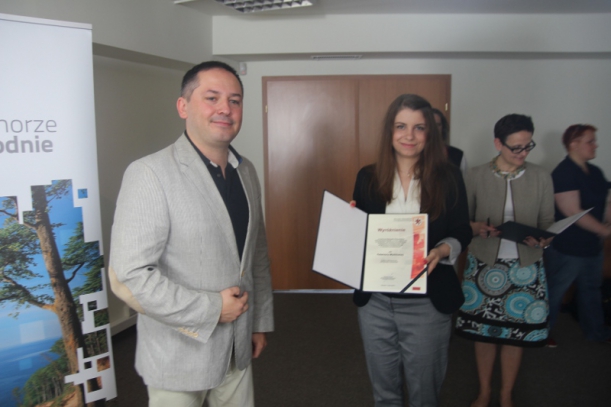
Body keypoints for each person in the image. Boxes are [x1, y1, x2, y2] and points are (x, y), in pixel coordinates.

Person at [108, 61, 274, 407]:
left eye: (234, 101)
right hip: (178, 355)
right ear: (183, 106)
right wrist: (212, 309)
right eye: (212, 98)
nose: (225, 109)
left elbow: (255, 254)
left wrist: (258, 322)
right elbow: (130, 276)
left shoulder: (246, 172)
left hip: (237, 347)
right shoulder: (150, 173)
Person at [352, 94, 472, 407]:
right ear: (389, 131)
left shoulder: (449, 177)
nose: (409, 135)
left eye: (419, 128)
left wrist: (443, 250)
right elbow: (360, 236)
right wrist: (347, 223)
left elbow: (462, 230)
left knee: (425, 393)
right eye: (401, 126)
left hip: (427, 302)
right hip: (377, 302)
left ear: (430, 133)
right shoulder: (367, 177)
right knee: (384, 393)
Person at [454, 114, 554, 407]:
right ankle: (485, 392)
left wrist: (544, 239)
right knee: (483, 334)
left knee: (515, 335)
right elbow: (462, 221)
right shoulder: (475, 175)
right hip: (485, 263)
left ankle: (506, 394)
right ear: (498, 144)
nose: (523, 153)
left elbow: (548, 222)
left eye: (528, 146)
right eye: (516, 147)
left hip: (526, 267)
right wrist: (477, 228)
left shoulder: (541, 176)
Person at [545, 124, 611, 344]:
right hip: (567, 248)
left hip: (592, 246)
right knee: (555, 291)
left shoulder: (595, 172)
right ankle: (540, 334)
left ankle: (596, 332)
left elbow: (604, 203)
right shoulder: (564, 173)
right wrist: (604, 231)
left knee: (591, 290)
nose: (595, 145)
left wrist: (607, 223)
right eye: (590, 141)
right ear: (573, 144)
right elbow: (573, 211)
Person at [432, 107, 467, 173]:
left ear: (443, 128)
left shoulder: (458, 155)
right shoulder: (415, 153)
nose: (434, 129)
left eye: (437, 125)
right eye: (430, 125)